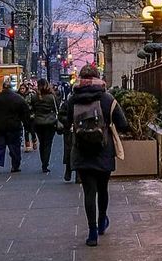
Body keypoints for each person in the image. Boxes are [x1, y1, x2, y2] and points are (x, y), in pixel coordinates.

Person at [64, 65, 129, 246]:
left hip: (81, 151)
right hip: (103, 151)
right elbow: (123, 124)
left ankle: (92, 232)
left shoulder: (72, 99)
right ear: (98, 77)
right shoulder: (107, 98)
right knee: (103, 189)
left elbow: (66, 122)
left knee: (89, 192)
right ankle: (102, 221)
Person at [0, 79, 30, 175]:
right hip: (13, 127)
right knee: (14, 147)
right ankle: (15, 165)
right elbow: (25, 114)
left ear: (2, 87)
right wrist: (27, 126)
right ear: (11, 87)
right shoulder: (18, 99)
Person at [31, 79, 59, 173]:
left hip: (38, 122)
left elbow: (33, 109)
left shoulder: (35, 97)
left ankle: (43, 160)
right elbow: (56, 109)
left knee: (42, 143)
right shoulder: (52, 97)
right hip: (50, 122)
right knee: (48, 144)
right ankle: (45, 164)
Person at [18, 82, 37, 153]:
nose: (22, 90)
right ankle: (28, 146)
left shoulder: (31, 95)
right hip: (23, 116)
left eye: (23, 88)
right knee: (26, 131)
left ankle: (34, 140)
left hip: (31, 115)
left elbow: (34, 104)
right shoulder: (18, 96)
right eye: (21, 89)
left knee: (32, 130)